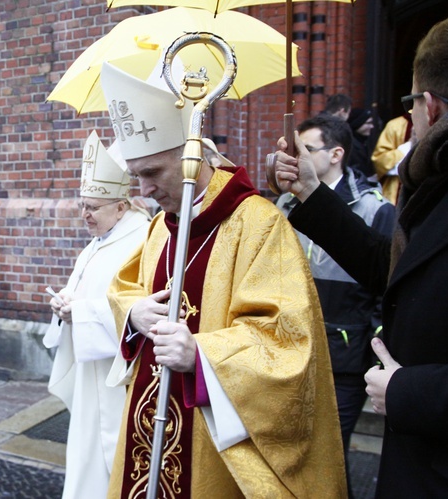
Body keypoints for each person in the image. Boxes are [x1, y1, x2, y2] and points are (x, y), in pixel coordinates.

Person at [99, 62, 346, 497]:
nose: (142, 191)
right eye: (135, 175)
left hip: (212, 442)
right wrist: (134, 312)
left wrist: (202, 354)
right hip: (148, 417)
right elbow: (125, 288)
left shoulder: (259, 224)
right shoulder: (162, 226)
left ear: (192, 160)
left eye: (152, 173)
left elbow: (288, 343)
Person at [271, 14, 448, 497]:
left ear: (430, 106)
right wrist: (312, 194)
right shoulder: (444, 179)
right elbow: (398, 270)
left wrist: (410, 392)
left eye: (409, 105)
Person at [275, 115, 395, 495]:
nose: (298, 157)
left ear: (336, 154)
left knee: (330, 455)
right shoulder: (283, 204)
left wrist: (371, 347)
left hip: (345, 357)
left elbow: (386, 285)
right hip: (296, 348)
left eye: (307, 150)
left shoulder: (376, 209)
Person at [43, 131, 150, 499]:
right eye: (82, 205)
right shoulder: (97, 242)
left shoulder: (142, 240)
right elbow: (85, 290)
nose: (85, 214)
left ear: (121, 207)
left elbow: (139, 304)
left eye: (93, 207)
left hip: (119, 374)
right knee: (86, 452)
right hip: (92, 367)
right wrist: (64, 306)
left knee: (113, 456)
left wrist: (83, 313)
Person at [371, 114, 414, 204]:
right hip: (396, 191)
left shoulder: (439, 122)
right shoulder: (395, 126)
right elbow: (379, 160)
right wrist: (408, 146)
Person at [347, 107, 376, 177]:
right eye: (368, 123)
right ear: (358, 124)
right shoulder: (349, 145)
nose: (372, 126)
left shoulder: (364, 142)